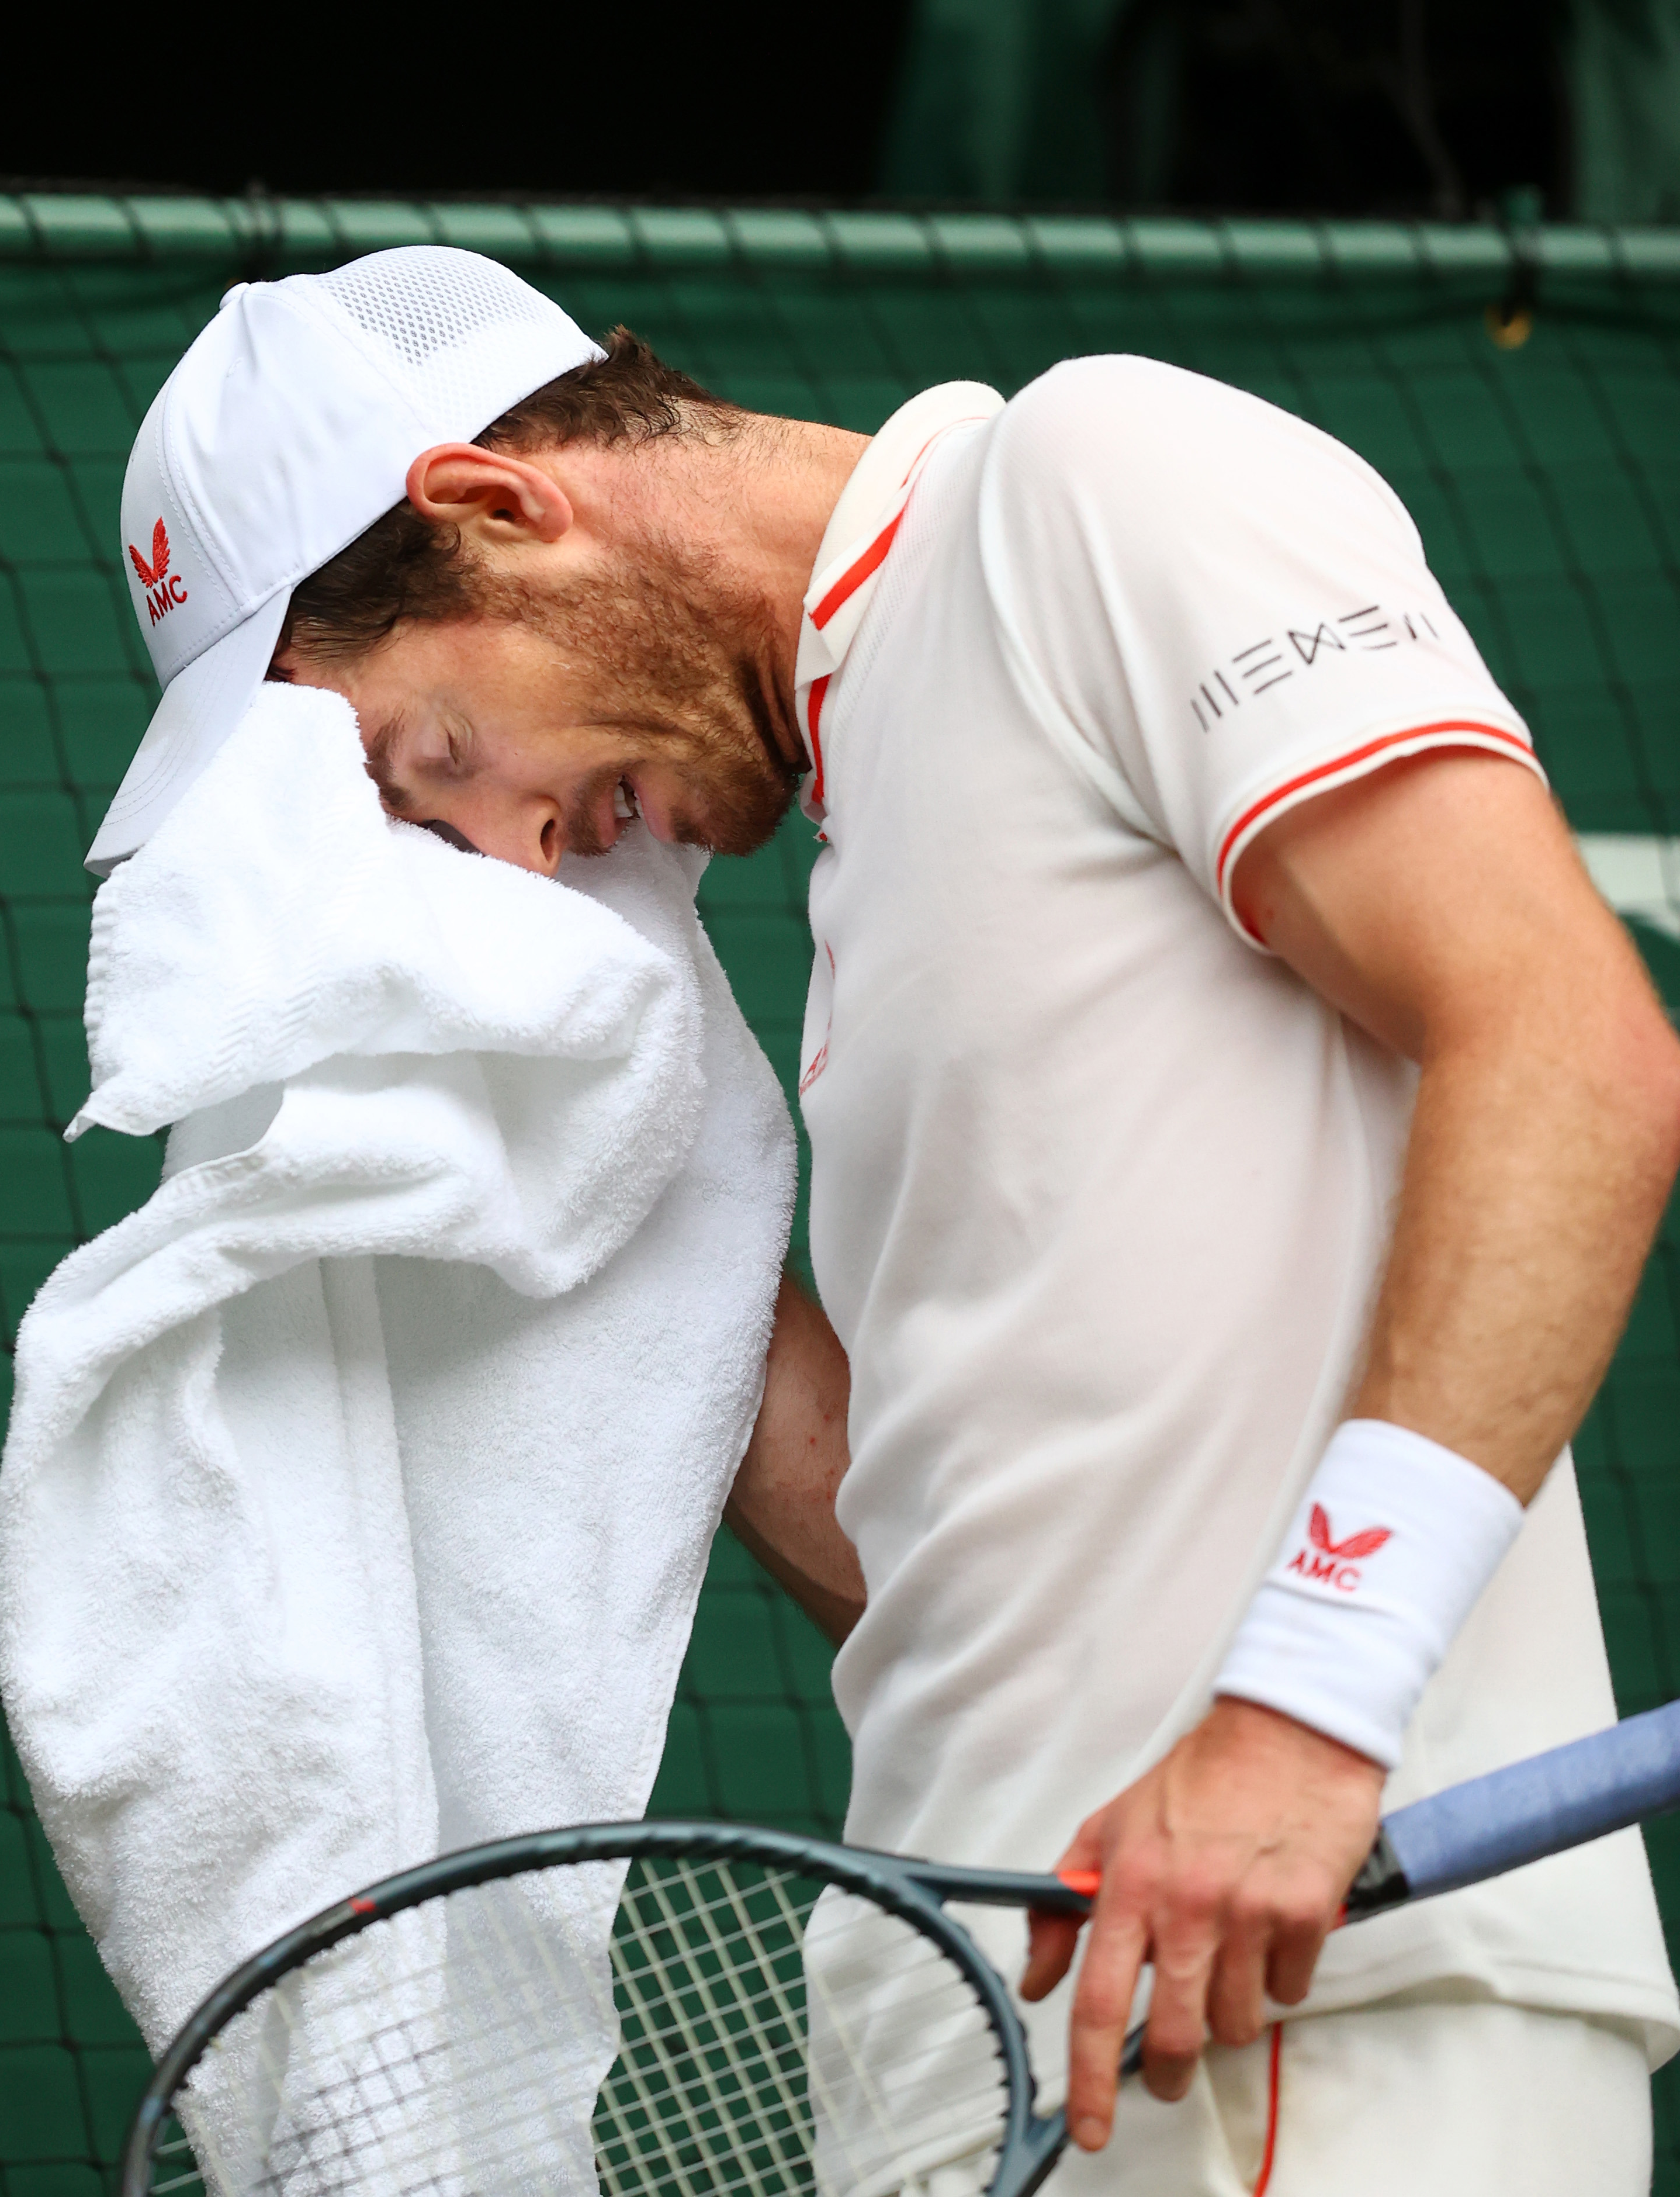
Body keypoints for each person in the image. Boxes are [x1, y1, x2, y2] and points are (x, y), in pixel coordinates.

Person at [99, 248, 1680, 2194]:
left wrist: (1302, 1719)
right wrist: (582, 1193)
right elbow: (972, 1568)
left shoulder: (1087, 480)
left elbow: (1560, 1044)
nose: (508, 852)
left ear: (495, 507)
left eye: (430, 764)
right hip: (984, 2046)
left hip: (1300, 2005)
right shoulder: (872, 841)